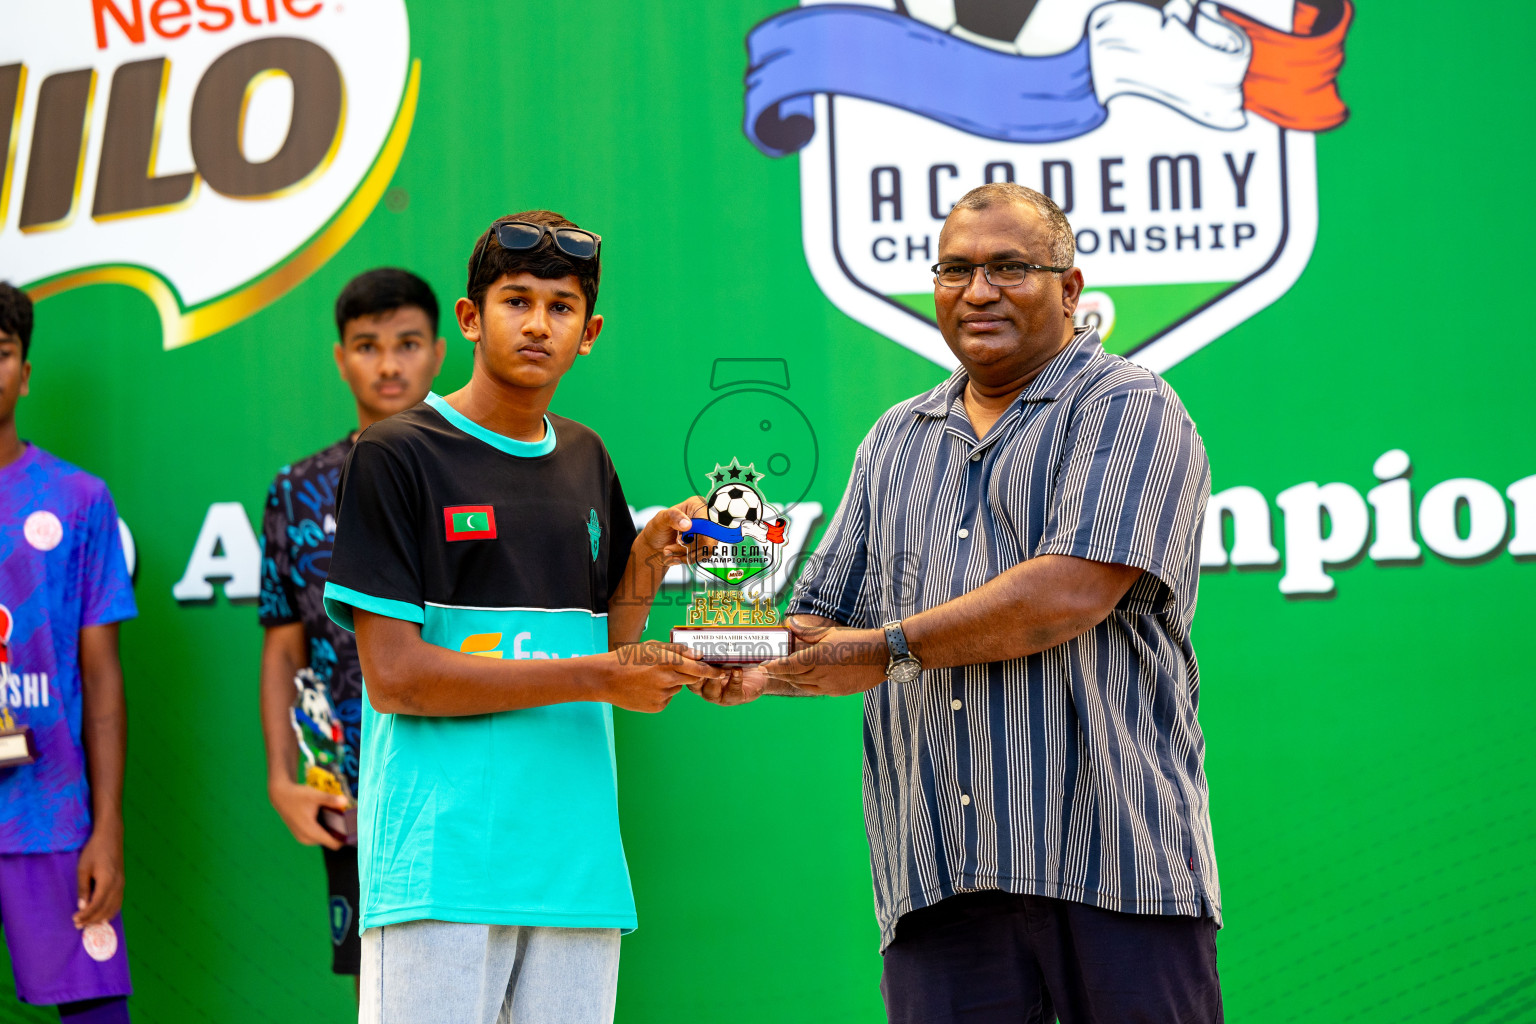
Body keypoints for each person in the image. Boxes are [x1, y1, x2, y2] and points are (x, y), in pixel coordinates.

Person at [708, 183, 1222, 1023]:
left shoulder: (1130, 407)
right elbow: (824, 627)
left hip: (1117, 871)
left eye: (1009, 268)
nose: (977, 291)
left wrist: (884, 647)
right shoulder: (896, 437)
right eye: (955, 270)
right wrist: (748, 660)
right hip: (939, 881)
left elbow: (1062, 595)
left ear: (1070, 288)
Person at [321, 211, 723, 1024]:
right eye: (516, 300)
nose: (539, 323)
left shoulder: (586, 455)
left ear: (591, 332)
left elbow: (610, 640)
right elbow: (397, 679)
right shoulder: (397, 453)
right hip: (442, 867)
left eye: (562, 306)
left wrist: (650, 553)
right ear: (470, 319)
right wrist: (600, 677)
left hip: (576, 866)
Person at [257, 267, 447, 980]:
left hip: (470, 778)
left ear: (438, 348)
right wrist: (284, 776)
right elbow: (284, 648)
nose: (390, 364)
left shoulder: (481, 472)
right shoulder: (297, 489)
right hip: (356, 787)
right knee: (386, 988)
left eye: (408, 343)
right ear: (340, 357)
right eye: (368, 346)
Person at [0, 283, 137, 1024]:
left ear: (25, 371)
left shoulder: (79, 499)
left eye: (0, 354)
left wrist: (105, 827)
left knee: (95, 1015)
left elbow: (103, 682)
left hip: (49, 815)